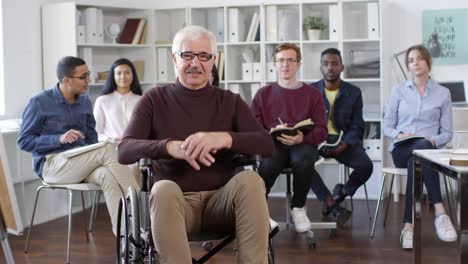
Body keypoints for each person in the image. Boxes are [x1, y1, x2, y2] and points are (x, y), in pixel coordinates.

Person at [117, 26, 274, 264]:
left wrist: (224, 138)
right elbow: (124, 150)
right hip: (175, 206)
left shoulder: (230, 101)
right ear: (174, 59)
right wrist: (168, 147)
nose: (195, 63)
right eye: (187, 55)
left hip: (223, 205)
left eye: (204, 56)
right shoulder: (154, 100)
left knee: (251, 180)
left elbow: (267, 144)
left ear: (213, 60)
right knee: (162, 189)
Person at [17, 56, 139, 236]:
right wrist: (58, 139)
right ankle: (143, 210)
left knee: (107, 175)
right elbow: (24, 141)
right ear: (66, 80)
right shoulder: (40, 102)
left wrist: (97, 156)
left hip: (81, 162)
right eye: (83, 76)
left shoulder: (84, 102)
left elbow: (91, 139)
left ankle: (126, 239)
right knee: (106, 148)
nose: (89, 80)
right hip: (52, 166)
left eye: (88, 74)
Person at [251, 43, 351, 232]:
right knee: (268, 164)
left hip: (303, 143)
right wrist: (271, 133)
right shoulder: (263, 95)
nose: (285, 65)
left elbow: (322, 130)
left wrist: (301, 139)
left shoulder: (312, 94)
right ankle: (260, 212)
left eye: (291, 60)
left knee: (304, 160)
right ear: (274, 64)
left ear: (298, 64)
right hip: (274, 144)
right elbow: (254, 128)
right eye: (280, 60)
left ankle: (298, 208)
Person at [383, 44, 457, 249]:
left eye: (419, 59)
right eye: (410, 60)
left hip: (429, 150)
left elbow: (447, 133)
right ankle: (440, 213)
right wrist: (400, 134)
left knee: (418, 156)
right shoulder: (398, 91)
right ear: (408, 66)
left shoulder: (443, 93)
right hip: (402, 148)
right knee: (420, 151)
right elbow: (386, 126)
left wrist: (434, 141)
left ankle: (408, 226)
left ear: (428, 62)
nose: (415, 63)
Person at [311, 48, 373, 205]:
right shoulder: (310, 91)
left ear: (342, 67)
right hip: (317, 142)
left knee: (366, 166)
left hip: (343, 142)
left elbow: (358, 125)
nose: (330, 67)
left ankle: (341, 193)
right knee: (300, 164)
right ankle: (328, 200)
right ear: (321, 67)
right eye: (326, 64)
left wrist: (345, 144)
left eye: (334, 63)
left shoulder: (354, 92)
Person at [94, 58, 142, 144]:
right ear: (113, 76)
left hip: (135, 147)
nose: (123, 77)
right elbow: (96, 133)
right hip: (110, 148)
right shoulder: (102, 101)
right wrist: (109, 139)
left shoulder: (141, 100)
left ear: (133, 75)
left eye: (127, 73)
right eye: (118, 73)